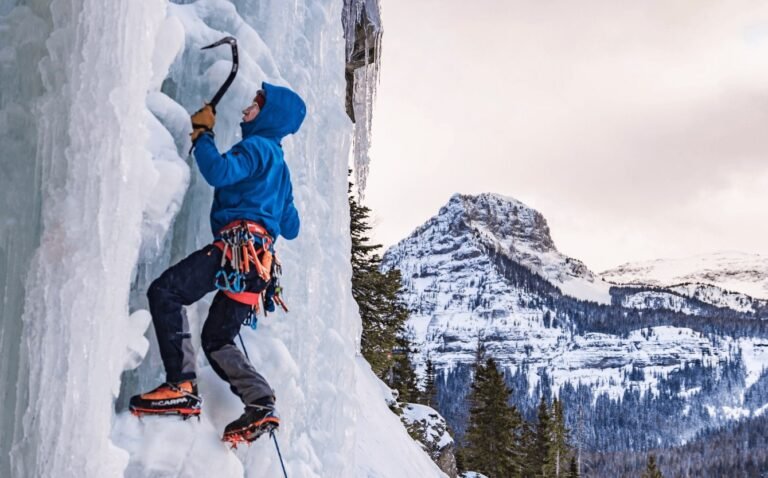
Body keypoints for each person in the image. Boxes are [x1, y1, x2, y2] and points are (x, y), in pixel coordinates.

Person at [130, 82, 306, 444]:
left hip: (235, 252)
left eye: (255, 105)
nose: (246, 110)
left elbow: (220, 172)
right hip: (258, 269)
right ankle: (260, 401)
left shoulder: (257, 147)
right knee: (217, 338)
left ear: (270, 115)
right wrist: (273, 198)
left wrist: (202, 134)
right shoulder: (281, 166)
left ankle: (181, 384)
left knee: (165, 292)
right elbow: (292, 226)